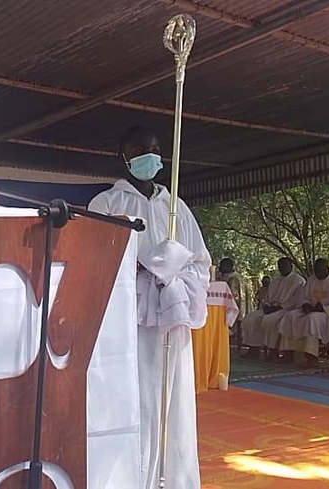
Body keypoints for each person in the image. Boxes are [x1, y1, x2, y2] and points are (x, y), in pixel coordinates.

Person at [88, 125, 209, 489]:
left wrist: (173, 277)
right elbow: (92, 264)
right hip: (131, 322)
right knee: (134, 399)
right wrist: (143, 269)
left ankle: (173, 479)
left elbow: (201, 263)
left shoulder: (177, 208)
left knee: (174, 402)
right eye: (140, 149)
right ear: (122, 156)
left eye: (155, 149)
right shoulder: (107, 205)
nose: (149, 156)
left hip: (172, 319)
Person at [277, 258, 329, 364]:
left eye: (320, 270)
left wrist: (324, 308)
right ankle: (289, 352)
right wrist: (306, 304)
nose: (318, 273)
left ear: (328, 268)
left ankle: (311, 355)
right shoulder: (312, 280)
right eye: (316, 270)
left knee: (312, 319)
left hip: (328, 315)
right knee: (290, 316)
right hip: (310, 310)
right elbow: (304, 297)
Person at [240, 258, 305, 359]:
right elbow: (267, 297)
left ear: (291, 266)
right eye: (280, 266)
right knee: (250, 318)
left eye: (285, 266)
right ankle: (254, 348)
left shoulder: (299, 281)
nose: (282, 268)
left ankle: (273, 351)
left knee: (269, 320)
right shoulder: (275, 280)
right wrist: (266, 305)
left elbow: (295, 301)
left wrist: (278, 308)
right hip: (270, 308)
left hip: (286, 309)